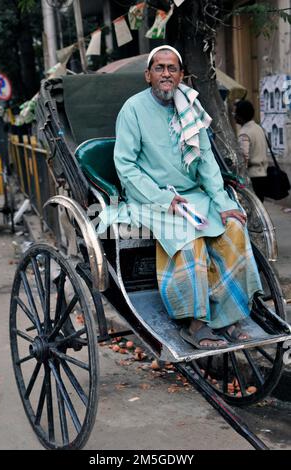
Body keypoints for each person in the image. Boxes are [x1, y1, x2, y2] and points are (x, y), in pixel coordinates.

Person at [98, 45, 263, 349]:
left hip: (192, 197)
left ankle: (231, 315)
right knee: (190, 240)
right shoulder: (132, 110)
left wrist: (223, 204)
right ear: (148, 75)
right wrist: (164, 200)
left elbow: (206, 163)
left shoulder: (189, 106)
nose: (166, 74)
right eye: (159, 68)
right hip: (151, 200)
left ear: (181, 75)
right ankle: (196, 323)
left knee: (234, 230)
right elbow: (126, 166)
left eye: (172, 68)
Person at [234, 100, 268, 202]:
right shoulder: (258, 128)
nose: (234, 116)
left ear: (240, 115)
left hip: (252, 176)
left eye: (235, 113)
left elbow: (244, 157)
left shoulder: (244, 133)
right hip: (263, 174)